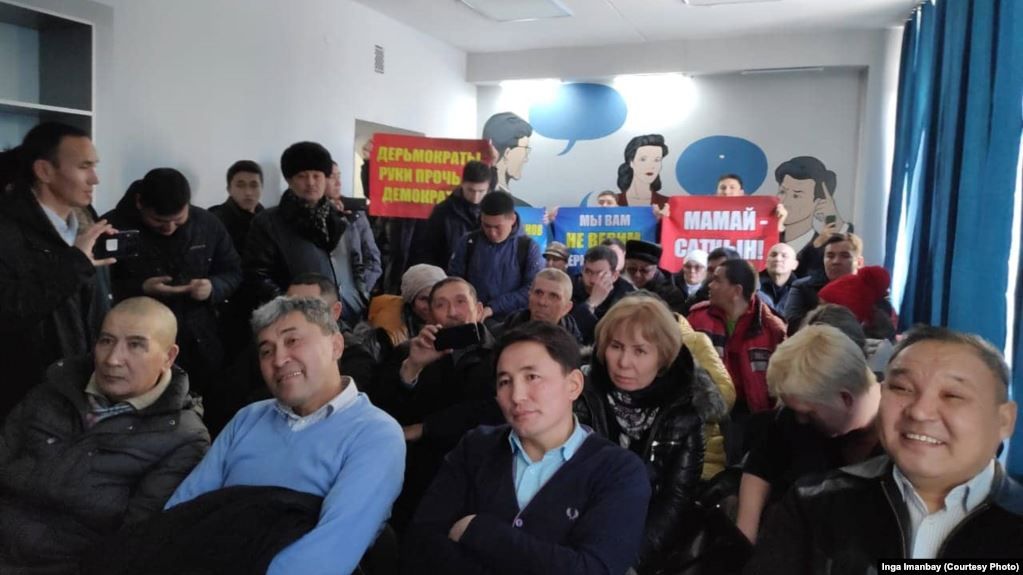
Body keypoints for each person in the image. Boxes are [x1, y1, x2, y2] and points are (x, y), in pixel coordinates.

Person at [746, 326, 1022, 571]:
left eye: (952, 395)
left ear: (1004, 421)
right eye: (902, 388)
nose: (920, 411)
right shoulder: (811, 504)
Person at [164, 296, 405, 575]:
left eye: (293, 341)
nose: (278, 360)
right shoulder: (249, 418)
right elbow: (184, 510)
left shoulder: (376, 434)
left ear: (336, 345)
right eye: (266, 351)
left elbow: (329, 552)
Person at [403, 321, 651, 574]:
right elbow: (422, 544)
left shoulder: (618, 471)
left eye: (532, 377)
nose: (517, 396)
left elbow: (593, 569)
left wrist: (480, 530)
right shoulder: (475, 448)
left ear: (574, 385)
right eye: (504, 382)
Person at [0, 297, 210, 571]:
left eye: (135, 345)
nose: (112, 359)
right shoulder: (53, 391)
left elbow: (133, 543)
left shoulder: (182, 438)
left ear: (168, 357)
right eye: (106, 341)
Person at [574, 293, 706, 573]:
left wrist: (628, 561)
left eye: (640, 351)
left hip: (642, 548)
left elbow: (674, 502)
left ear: (663, 358)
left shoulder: (683, 416)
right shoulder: (578, 396)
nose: (624, 362)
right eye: (616, 346)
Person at [0, 122, 115, 417]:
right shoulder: (7, 232)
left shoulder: (89, 225)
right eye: (84, 167)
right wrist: (74, 263)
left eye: (94, 166)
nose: (95, 179)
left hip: (85, 392)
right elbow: (11, 310)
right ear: (44, 171)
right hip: (24, 400)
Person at [735, 323, 881, 544]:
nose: (800, 420)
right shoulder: (795, 415)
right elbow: (760, 465)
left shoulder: (903, 437)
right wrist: (745, 537)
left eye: (808, 413)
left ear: (845, 398)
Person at [104, 168, 242, 398]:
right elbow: (98, 288)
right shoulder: (112, 228)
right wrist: (141, 289)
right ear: (139, 203)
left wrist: (213, 287)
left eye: (178, 220)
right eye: (158, 221)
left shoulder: (207, 224)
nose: (168, 229)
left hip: (201, 341)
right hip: (139, 347)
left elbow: (233, 271)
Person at [380, 277, 504, 529]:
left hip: (479, 477)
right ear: (430, 315)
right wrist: (412, 368)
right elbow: (386, 414)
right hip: (418, 476)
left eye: (460, 302)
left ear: (479, 309)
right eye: (441, 305)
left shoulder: (502, 355)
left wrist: (426, 427)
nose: (452, 312)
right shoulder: (409, 353)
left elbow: (493, 411)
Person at [688, 259, 786, 460]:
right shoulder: (696, 320)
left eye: (717, 280)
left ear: (736, 290)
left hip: (754, 417)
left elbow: (783, 382)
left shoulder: (773, 328)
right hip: (706, 411)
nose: (709, 285)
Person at [243, 141, 346, 306]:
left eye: (316, 176)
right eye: (302, 176)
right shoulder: (267, 223)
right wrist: (292, 306)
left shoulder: (339, 219)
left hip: (342, 312)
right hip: (295, 314)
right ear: (289, 180)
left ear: (325, 178)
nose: (310, 182)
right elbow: (257, 276)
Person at [448, 190, 544, 321]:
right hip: (472, 317)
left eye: (498, 227)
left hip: (513, 321)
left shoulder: (528, 247)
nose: (492, 233)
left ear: (512, 219)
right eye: (486, 226)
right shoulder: (468, 242)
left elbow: (532, 289)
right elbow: (455, 280)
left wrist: (493, 308)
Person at [326, 160, 382, 322]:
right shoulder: (311, 218)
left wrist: (361, 290)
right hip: (323, 303)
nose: (338, 183)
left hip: (354, 302)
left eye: (339, 176)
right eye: (332, 177)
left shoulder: (356, 214)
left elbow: (373, 260)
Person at [774, 156, 848, 279]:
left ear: (818, 202)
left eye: (796, 196)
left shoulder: (825, 250)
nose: (785, 201)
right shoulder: (770, 241)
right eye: (782, 192)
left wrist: (833, 219)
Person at [409, 160, 490, 268]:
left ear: (488, 188)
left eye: (481, 191)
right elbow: (427, 250)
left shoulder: (495, 211)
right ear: (462, 184)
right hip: (448, 273)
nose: (475, 197)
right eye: (470, 190)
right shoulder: (443, 211)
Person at [783, 232, 864, 335]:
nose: (836, 261)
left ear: (859, 262)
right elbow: (792, 327)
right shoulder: (803, 287)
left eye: (845, 256)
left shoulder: (871, 291)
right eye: (830, 256)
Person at [367, 263, 448, 350]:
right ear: (410, 300)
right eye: (424, 299)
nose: (431, 306)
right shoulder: (391, 333)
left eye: (438, 299)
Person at [569, 245, 636, 344]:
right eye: (588, 272)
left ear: (614, 276)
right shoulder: (569, 288)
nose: (592, 280)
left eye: (600, 274)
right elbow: (568, 331)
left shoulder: (627, 295)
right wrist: (591, 302)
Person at [498, 268, 584, 344]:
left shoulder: (574, 346)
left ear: (567, 308)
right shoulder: (503, 334)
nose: (542, 302)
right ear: (529, 296)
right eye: (538, 293)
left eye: (553, 296)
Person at [209, 160, 264, 254]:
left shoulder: (268, 220)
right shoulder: (216, 222)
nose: (248, 192)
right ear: (229, 189)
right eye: (240, 186)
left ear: (262, 188)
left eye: (254, 185)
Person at [482, 111, 533, 206]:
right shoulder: (521, 208)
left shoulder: (472, 201)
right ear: (507, 153)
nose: (526, 159)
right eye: (525, 149)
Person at [624, 239, 687, 313]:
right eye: (632, 269)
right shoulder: (618, 285)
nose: (637, 274)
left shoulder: (671, 294)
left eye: (644, 270)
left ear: (655, 270)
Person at [616, 134, 670, 212]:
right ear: (631, 162)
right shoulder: (612, 201)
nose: (651, 166)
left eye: (657, 160)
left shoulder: (666, 203)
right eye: (643, 159)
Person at [680, 246, 741, 315]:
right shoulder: (695, 301)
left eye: (720, 270)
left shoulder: (748, 306)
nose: (714, 274)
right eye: (711, 270)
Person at [757, 242, 799, 316]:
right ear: (766, 262)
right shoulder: (752, 285)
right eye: (773, 255)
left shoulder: (802, 289)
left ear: (794, 265)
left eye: (784, 256)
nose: (777, 259)